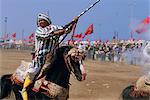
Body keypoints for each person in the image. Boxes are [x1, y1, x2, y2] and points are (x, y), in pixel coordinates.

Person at [21, 13, 78, 100]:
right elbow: (46, 35)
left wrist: (73, 23)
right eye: (39, 21)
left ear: (47, 21)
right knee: (33, 73)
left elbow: (66, 30)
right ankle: (25, 90)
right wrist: (60, 31)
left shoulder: (55, 27)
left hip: (52, 58)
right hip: (40, 60)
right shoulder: (39, 30)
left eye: (42, 20)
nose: (40, 22)